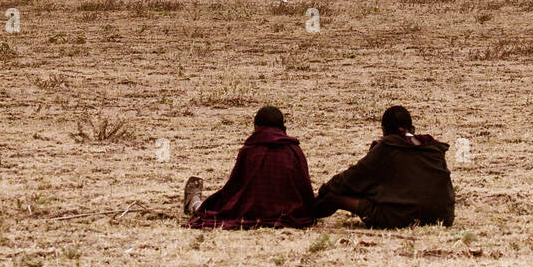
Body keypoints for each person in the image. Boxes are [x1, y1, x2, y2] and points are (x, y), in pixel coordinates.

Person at [314, 105, 455, 228]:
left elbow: (349, 180)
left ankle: (307, 214)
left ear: (383, 130)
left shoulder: (387, 148)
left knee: (334, 197)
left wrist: (324, 191)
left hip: (401, 218)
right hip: (442, 216)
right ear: (412, 128)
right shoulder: (433, 148)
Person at [183, 105, 316, 229]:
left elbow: (233, 188)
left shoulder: (250, 150)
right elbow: (304, 188)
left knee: (212, 210)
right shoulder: (294, 150)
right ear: (283, 127)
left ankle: (195, 204)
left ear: (256, 126)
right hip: (290, 214)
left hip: (250, 212)